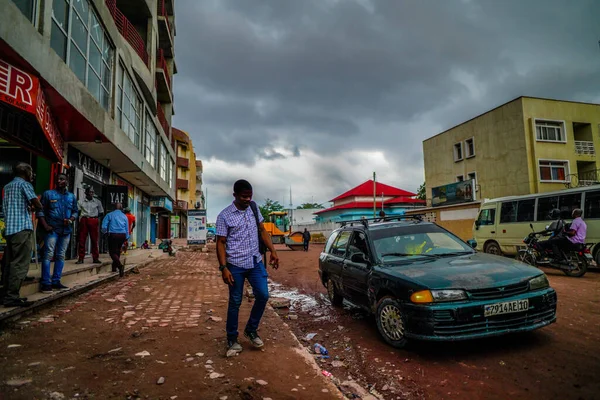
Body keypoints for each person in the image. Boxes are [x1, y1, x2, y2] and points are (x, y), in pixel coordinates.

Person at [216, 179, 279, 356]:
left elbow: (262, 230)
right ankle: (232, 338)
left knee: (263, 295)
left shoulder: (253, 207)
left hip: (255, 262)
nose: (247, 199)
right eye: (244, 196)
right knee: (235, 301)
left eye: (249, 196)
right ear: (234, 195)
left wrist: (273, 251)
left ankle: (251, 330)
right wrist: (223, 268)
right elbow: (220, 243)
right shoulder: (224, 216)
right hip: (235, 265)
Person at [1, 163, 45, 307]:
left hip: (10, 230)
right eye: (31, 171)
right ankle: (11, 297)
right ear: (26, 172)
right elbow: (37, 204)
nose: (32, 174)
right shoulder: (25, 185)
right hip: (22, 228)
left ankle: (5, 293)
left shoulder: (7, 187)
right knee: (20, 264)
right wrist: (33, 206)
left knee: (10, 263)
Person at [38, 173, 78, 294]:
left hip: (66, 231)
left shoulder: (71, 196)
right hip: (52, 229)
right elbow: (40, 211)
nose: (59, 181)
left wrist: (71, 219)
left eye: (62, 179)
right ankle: (46, 283)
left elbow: (76, 212)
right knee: (48, 255)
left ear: (67, 181)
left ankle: (56, 280)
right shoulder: (48, 194)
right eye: (58, 180)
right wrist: (45, 226)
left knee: (61, 255)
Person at [76, 187, 104, 264]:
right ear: (86, 193)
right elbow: (77, 211)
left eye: (92, 192)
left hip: (93, 220)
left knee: (94, 240)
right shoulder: (80, 201)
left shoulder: (97, 202)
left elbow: (101, 212)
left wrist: (94, 217)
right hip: (84, 220)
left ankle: (95, 258)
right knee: (82, 239)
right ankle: (81, 258)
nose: (91, 193)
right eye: (89, 192)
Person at [101, 203, 130, 277]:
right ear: (121, 208)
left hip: (113, 235)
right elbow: (127, 228)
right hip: (122, 235)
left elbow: (104, 225)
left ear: (114, 208)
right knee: (117, 251)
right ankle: (114, 267)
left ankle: (120, 266)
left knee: (112, 252)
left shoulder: (109, 215)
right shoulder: (124, 216)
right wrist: (127, 237)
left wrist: (104, 233)